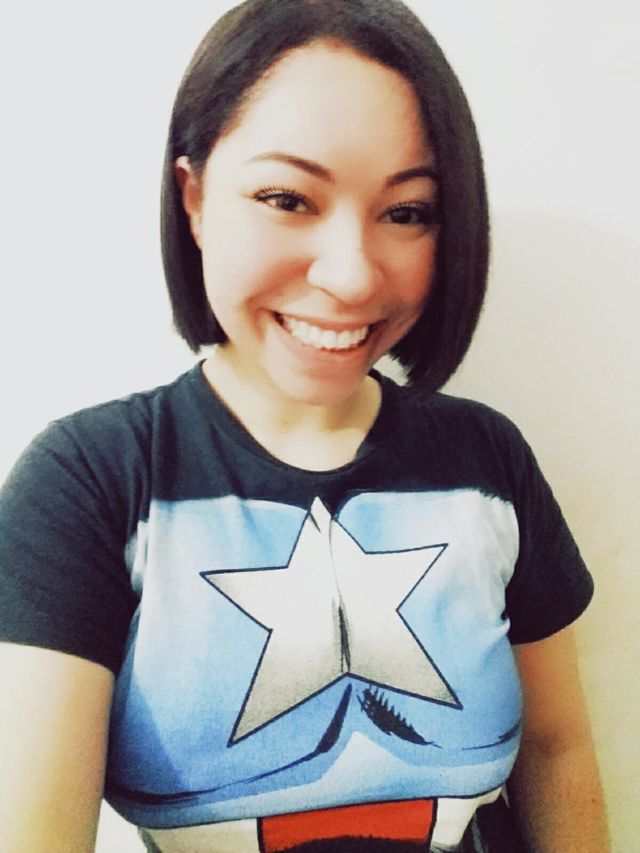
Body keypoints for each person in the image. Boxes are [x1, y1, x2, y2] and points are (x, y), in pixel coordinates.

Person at [0, 0, 609, 850]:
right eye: (287, 198)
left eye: (408, 211)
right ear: (195, 197)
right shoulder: (92, 481)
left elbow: (556, 749)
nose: (352, 276)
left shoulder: (486, 461)